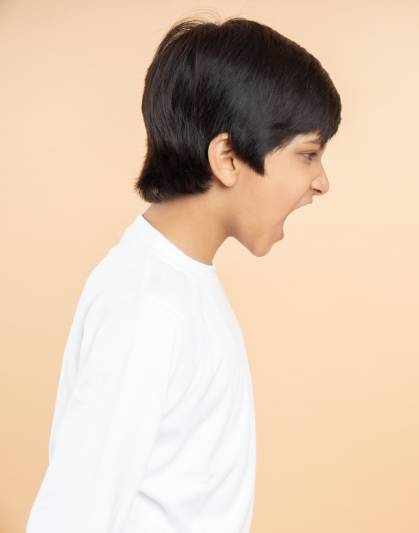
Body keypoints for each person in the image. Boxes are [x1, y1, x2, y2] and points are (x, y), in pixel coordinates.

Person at [27, 17, 341, 533]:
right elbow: (73, 512)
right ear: (227, 157)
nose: (320, 181)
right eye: (308, 154)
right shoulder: (149, 304)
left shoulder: (177, 286)